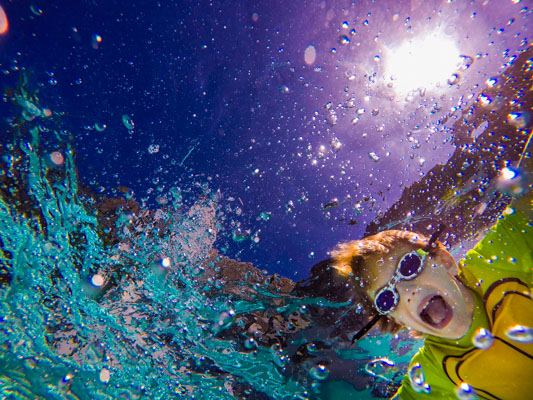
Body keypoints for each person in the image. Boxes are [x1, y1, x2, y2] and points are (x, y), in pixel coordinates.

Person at [328, 161, 532, 399]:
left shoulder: (495, 260)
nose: (407, 292)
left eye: (409, 266)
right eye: (386, 299)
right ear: (396, 321)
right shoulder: (430, 374)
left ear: (444, 260)